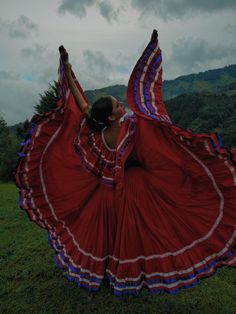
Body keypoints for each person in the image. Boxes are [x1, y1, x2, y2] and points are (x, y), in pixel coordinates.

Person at [15, 30, 236, 296]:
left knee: (108, 237)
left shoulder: (96, 132)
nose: (122, 106)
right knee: (132, 236)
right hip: (132, 191)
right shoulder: (130, 128)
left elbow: (82, 103)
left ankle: (108, 273)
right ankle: (128, 274)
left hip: (106, 193)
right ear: (111, 117)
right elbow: (154, 131)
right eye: (118, 106)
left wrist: (68, 68)